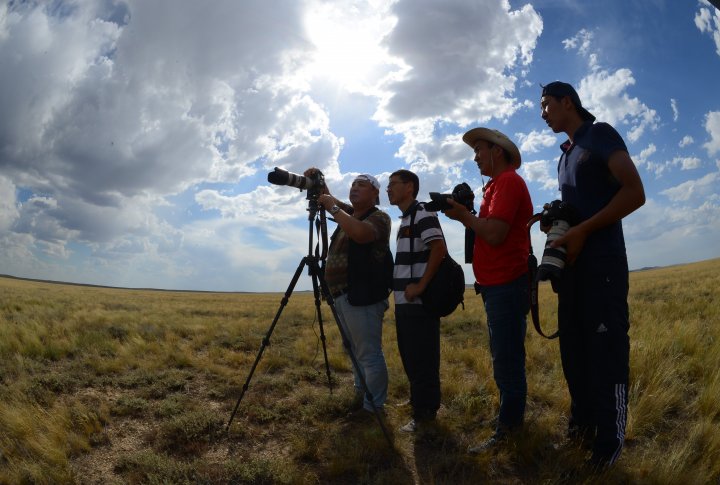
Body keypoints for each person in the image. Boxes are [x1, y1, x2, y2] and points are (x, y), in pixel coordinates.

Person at [539, 81, 645, 469]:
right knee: (575, 355)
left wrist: (582, 231)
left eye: (547, 105)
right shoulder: (565, 155)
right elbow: (579, 210)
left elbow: (635, 192)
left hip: (602, 267)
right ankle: (581, 428)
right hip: (574, 272)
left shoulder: (599, 135)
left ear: (568, 102)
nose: (543, 113)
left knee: (606, 354)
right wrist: (559, 223)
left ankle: (609, 442)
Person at [442, 128, 533, 452]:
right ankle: (510, 420)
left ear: (497, 151)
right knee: (505, 356)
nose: (476, 157)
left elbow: (493, 234)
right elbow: (489, 229)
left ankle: (508, 430)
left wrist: (464, 216)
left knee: (507, 359)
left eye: (480, 150)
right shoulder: (495, 187)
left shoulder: (508, 182)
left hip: (506, 285)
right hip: (499, 286)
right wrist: (466, 216)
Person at [305, 169, 393, 416]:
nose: (354, 188)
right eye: (352, 184)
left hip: (362, 296)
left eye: (361, 185)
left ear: (375, 193)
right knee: (354, 350)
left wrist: (333, 207)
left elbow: (360, 233)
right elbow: (332, 201)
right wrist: (318, 182)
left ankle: (374, 407)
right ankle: (361, 395)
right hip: (343, 295)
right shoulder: (350, 215)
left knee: (368, 353)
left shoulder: (379, 218)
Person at [386, 169, 447, 433]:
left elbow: (439, 248)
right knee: (411, 356)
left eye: (393, 184)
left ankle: (425, 415)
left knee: (422, 358)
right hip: (404, 303)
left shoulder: (423, 213)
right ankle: (417, 401)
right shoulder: (407, 218)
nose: (388, 189)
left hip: (418, 303)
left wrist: (421, 286)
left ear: (409, 187)